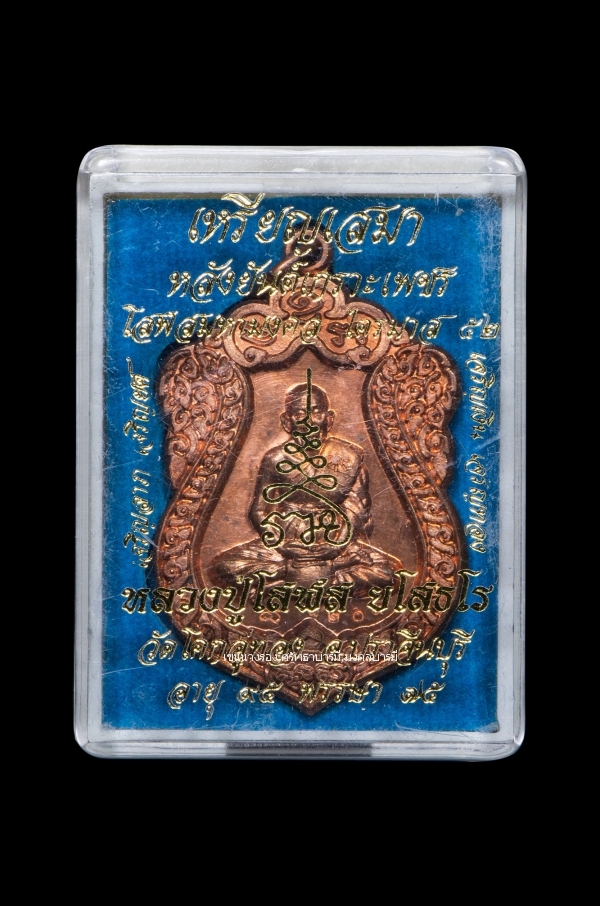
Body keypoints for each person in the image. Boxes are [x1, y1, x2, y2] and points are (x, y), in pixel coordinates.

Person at [211, 372, 401, 592]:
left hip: (335, 539)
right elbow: (259, 511)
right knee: (223, 568)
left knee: (390, 573)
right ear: (287, 421)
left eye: (316, 412)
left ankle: (293, 582)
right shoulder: (275, 459)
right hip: (286, 539)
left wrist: (335, 547)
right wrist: (282, 545)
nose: (308, 422)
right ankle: (313, 576)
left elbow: (357, 511)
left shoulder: (349, 457)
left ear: (329, 419)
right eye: (299, 413)